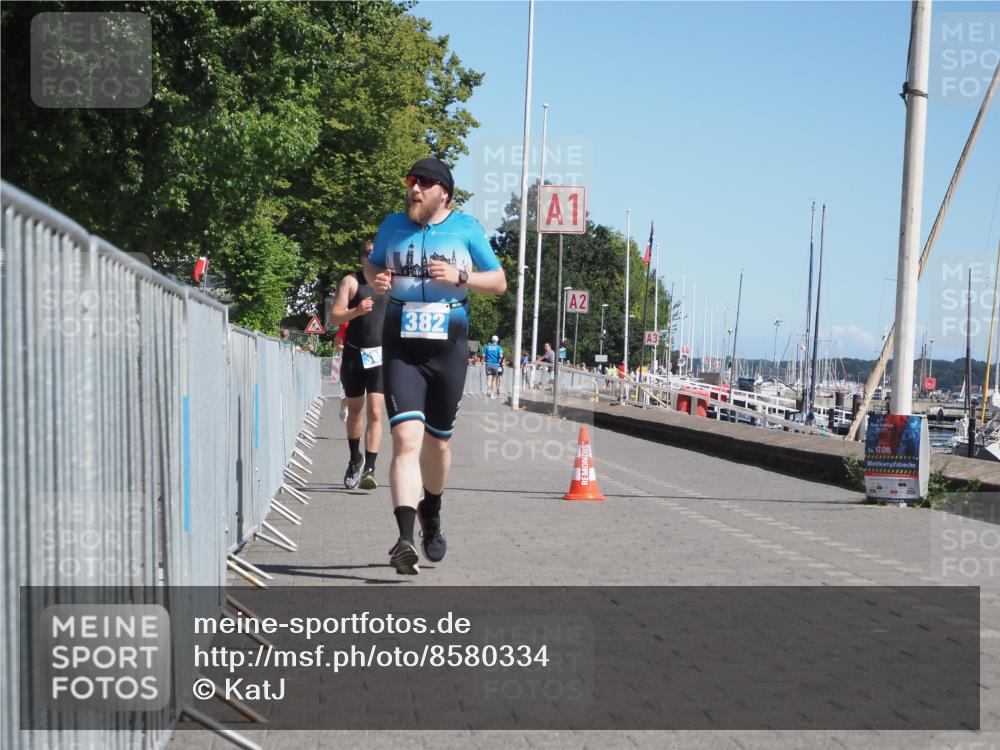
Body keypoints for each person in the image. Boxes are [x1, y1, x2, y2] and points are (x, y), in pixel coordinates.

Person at [366, 157, 506, 575]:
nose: (414, 189)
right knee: (405, 440)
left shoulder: (466, 228)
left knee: (437, 444)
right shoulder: (392, 226)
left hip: (448, 346)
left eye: (424, 183)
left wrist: (460, 277)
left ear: (444, 192)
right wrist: (376, 277)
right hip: (402, 346)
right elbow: (373, 262)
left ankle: (433, 509)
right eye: (411, 181)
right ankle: (404, 539)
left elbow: (498, 281)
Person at [330, 240, 388, 490]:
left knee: (375, 412)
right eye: (367, 253)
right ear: (362, 257)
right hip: (354, 354)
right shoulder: (350, 282)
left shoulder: (391, 282)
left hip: (380, 356)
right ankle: (355, 459)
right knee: (356, 411)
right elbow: (334, 317)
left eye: (377, 254)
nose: (372, 257)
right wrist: (356, 311)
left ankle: (370, 469)